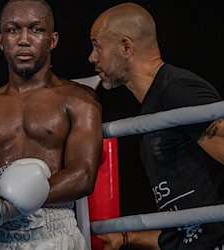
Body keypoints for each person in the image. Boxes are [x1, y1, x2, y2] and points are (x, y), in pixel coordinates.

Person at [0, 0, 103, 249]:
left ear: (53, 40)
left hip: (53, 229)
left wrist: (5, 207)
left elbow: (83, 176)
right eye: (13, 29)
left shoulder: (78, 99)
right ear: (0, 41)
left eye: (36, 29)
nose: (24, 40)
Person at [88, 2, 224, 250]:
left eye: (97, 47)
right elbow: (186, 225)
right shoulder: (155, 104)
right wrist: (128, 237)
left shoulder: (179, 92)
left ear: (126, 47)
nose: (92, 57)